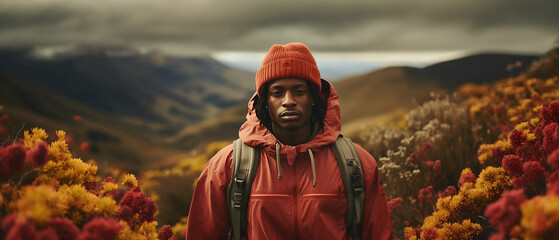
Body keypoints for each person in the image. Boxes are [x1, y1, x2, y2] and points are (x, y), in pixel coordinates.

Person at [186, 42, 393, 239]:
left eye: (299, 91)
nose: (288, 101)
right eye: (277, 93)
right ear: (265, 100)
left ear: (314, 97)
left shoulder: (357, 164)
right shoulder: (227, 165)